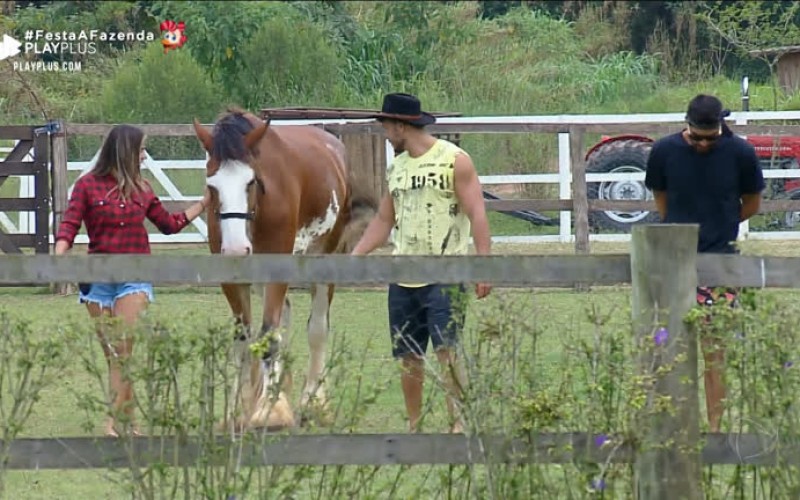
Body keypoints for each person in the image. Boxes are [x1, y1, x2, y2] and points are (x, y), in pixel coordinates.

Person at [54, 124, 211, 437]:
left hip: (135, 278)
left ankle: (115, 422)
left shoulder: (143, 189)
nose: (144, 156)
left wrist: (204, 203)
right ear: (124, 151)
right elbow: (69, 225)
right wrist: (59, 256)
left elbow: (169, 224)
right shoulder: (87, 186)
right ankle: (131, 420)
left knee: (122, 348)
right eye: (140, 150)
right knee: (112, 354)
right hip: (96, 280)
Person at [351, 93, 493, 433]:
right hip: (404, 276)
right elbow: (385, 219)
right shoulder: (397, 167)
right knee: (408, 355)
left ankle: (458, 423)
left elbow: (477, 211)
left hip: (447, 272)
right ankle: (414, 425)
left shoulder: (454, 160)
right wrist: (355, 256)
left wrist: (484, 264)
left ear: (402, 125)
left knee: (448, 351)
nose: (385, 133)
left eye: (387, 126)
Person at [644, 94, 765, 433]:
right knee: (668, 347)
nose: (701, 144)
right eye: (695, 137)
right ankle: (674, 424)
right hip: (674, 262)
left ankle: (714, 428)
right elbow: (661, 199)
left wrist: (722, 223)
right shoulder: (664, 152)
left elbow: (753, 202)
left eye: (710, 138)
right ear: (686, 125)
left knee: (715, 352)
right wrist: (680, 233)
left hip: (721, 263)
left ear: (721, 127)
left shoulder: (740, 153)